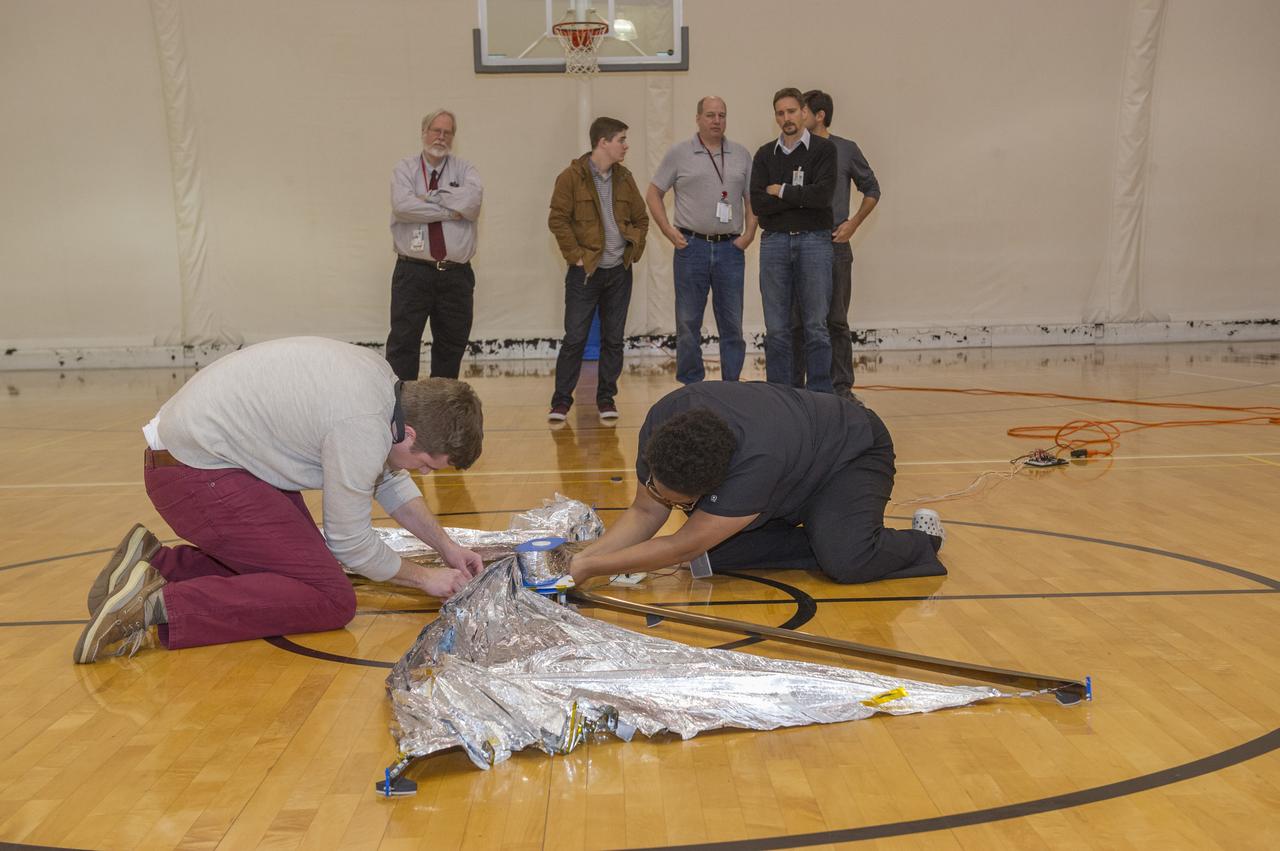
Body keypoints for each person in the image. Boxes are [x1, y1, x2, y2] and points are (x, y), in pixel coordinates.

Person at [74, 336, 486, 664]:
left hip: (207, 460)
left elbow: (390, 481)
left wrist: (446, 547)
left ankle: (155, 565)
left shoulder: (383, 386)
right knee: (330, 598)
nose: (424, 474)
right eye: (428, 464)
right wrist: (426, 578)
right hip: (191, 474)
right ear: (410, 434)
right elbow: (351, 544)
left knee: (303, 571)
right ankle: (153, 605)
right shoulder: (362, 426)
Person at [568, 382, 946, 585]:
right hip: (789, 469)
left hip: (849, 455)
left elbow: (683, 544)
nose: (669, 506)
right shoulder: (664, 422)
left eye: (683, 505)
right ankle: (829, 534)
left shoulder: (755, 464)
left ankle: (920, 541)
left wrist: (591, 568)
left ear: (717, 484)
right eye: (657, 488)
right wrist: (584, 559)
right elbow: (645, 511)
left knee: (848, 562)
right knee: (715, 556)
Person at [646, 96, 757, 384]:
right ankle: (691, 384)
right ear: (698, 118)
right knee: (687, 322)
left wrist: (749, 234)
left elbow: (751, 198)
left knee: (732, 322)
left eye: (722, 115)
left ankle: (731, 386)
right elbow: (653, 193)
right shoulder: (679, 153)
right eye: (710, 115)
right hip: (691, 247)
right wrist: (668, 231)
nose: (717, 120)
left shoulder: (741, 154)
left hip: (730, 249)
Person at [547, 116, 649, 422]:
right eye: (621, 140)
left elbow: (641, 219)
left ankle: (606, 399)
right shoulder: (570, 177)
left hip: (619, 273)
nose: (626, 146)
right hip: (585, 273)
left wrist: (633, 249)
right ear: (603, 142)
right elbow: (557, 219)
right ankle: (561, 402)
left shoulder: (625, 178)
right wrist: (576, 256)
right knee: (575, 337)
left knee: (613, 339)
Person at [789, 90, 881, 398]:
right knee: (798, 320)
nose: (796, 116)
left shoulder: (845, 149)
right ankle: (798, 390)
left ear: (819, 116)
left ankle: (842, 389)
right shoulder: (792, 149)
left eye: (802, 111)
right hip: (800, 243)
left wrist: (853, 223)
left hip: (834, 244)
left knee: (836, 320)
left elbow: (872, 189)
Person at [749, 88, 837, 393]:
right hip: (774, 243)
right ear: (775, 117)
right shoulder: (764, 155)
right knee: (776, 329)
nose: (786, 118)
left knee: (816, 326)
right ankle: (780, 396)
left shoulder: (824, 151)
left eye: (791, 111)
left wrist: (781, 191)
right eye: (780, 113)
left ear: (804, 112)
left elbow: (822, 196)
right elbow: (759, 204)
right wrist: (801, 198)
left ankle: (820, 396)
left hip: (814, 242)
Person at [386, 109, 483, 380]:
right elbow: (403, 207)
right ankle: (402, 404)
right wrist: (450, 211)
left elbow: (472, 204)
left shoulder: (466, 169)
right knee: (403, 344)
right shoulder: (404, 169)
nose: (441, 137)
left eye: (447, 132)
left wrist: (428, 197)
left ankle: (442, 404)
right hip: (413, 273)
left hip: (456, 275)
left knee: (451, 346)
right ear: (424, 132)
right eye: (436, 131)